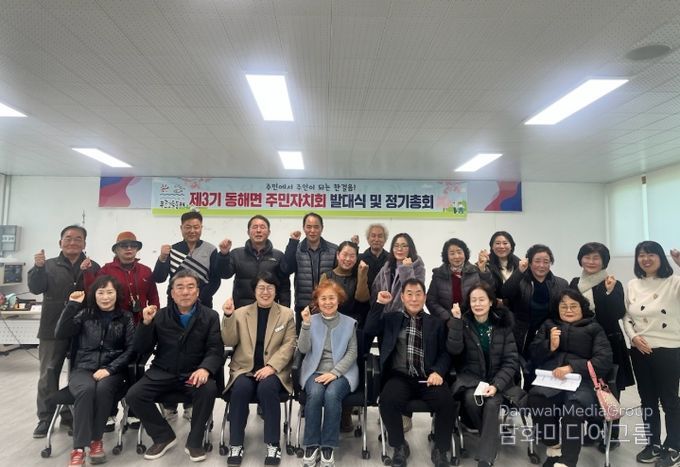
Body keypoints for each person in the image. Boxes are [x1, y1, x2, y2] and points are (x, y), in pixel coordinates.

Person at [126, 270, 223, 462]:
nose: (185, 292)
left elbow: (215, 348)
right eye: (180, 287)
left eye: (190, 287)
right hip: (163, 372)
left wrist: (205, 368)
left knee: (208, 389)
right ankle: (163, 436)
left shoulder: (210, 316)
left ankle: (195, 442)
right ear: (172, 292)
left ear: (197, 292)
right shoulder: (159, 315)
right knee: (134, 395)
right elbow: (141, 348)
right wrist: (146, 323)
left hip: (193, 373)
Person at [365, 279, 453, 467]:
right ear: (402, 297)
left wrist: (438, 372)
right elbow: (369, 329)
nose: (414, 298)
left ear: (425, 297)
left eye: (418, 294)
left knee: (447, 402)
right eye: (410, 294)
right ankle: (399, 446)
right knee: (387, 401)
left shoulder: (436, 323)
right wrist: (379, 304)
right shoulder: (390, 319)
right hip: (399, 377)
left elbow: (445, 353)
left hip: (428, 378)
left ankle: (440, 449)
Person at [28, 224, 101, 438]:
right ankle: (45, 418)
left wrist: (88, 273)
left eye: (78, 239)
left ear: (84, 243)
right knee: (49, 373)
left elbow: (97, 294)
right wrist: (37, 268)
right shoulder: (48, 265)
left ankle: (71, 416)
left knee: (79, 374)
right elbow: (35, 288)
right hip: (52, 329)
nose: (73, 242)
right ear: (60, 242)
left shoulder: (93, 265)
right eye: (68, 238)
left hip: (82, 330)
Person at [54, 276, 135, 467]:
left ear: (117, 294)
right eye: (101, 292)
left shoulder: (126, 317)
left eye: (110, 292)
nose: (105, 297)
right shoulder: (84, 314)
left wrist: (110, 369)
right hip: (83, 368)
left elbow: (131, 349)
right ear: (94, 295)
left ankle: (96, 440)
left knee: (103, 389)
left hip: (113, 371)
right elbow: (60, 332)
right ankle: (78, 449)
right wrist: (72, 305)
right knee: (86, 390)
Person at [528, 289, 613, 467]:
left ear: (582, 308)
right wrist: (550, 346)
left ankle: (567, 461)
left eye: (573, 306)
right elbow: (533, 355)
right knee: (536, 399)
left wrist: (573, 367)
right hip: (553, 379)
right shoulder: (548, 325)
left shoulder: (594, 328)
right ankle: (554, 447)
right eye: (563, 306)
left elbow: (604, 360)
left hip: (583, 382)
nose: (568, 310)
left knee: (573, 409)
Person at [221, 272, 296, 466]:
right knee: (240, 389)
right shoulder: (240, 313)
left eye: (270, 288)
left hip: (273, 371)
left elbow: (289, 344)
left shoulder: (286, 314)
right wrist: (228, 316)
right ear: (254, 291)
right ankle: (236, 443)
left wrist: (272, 366)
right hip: (244, 369)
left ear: (276, 291)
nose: (265, 292)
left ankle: (273, 444)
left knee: (267, 388)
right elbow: (229, 341)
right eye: (261, 288)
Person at [446, 282, 520, 467]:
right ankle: (490, 437)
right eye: (473, 300)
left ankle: (486, 458)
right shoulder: (463, 323)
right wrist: (456, 321)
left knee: (492, 404)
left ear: (491, 302)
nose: (477, 304)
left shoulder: (503, 324)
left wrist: (496, 385)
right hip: (472, 379)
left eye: (482, 299)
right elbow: (454, 350)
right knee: (471, 400)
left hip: (499, 380)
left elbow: (511, 361)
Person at [570, 241, 634, 450]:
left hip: (610, 343)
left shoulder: (612, 283)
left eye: (596, 258)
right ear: (580, 259)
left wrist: (608, 292)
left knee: (610, 390)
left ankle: (612, 434)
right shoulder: (575, 283)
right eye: (587, 257)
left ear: (604, 261)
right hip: (583, 344)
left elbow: (616, 314)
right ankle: (593, 431)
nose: (591, 261)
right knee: (588, 388)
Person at [623, 241, 680, 466]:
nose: (646, 259)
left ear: (661, 257)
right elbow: (627, 316)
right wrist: (633, 338)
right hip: (640, 350)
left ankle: (674, 446)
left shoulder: (674, 282)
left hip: (669, 349)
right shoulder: (632, 284)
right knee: (647, 400)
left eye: (651, 255)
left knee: (669, 400)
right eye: (641, 255)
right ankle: (653, 443)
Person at [298, 280, 359, 467]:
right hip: (314, 370)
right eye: (323, 298)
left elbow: (352, 353)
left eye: (332, 298)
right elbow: (303, 349)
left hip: (343, 372)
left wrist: (334, 373)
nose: (328, 302)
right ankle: (311, 444)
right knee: (315, 394)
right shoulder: (311, 320)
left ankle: (328, 446)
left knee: (332, 395)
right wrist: (306, 324)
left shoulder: (349, 323)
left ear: (339, 300)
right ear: (317, 301)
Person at [320, 240, 371, 431]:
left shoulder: (359, 274)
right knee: (328, 366)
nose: (348, 259)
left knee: (348, 369)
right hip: (329, 327)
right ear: (337, 255)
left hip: (353, 329)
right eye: (345, 254)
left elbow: (361, 298)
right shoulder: (327, 275)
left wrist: (362, 275)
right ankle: (328, 409)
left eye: (352, 256)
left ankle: (347, 412)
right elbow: (320, 301)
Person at [153, 210, 229, 309]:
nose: (192, 231)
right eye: (188, 227)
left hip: (203, 305)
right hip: (175, 305)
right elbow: (159, 278)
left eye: (196, 227)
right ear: (181, 228)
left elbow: (215, 280)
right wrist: (162, 258)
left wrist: (198, 299)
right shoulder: (173, 250)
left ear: (201, 228)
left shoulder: (210, 250)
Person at [502, 244, 568, 356]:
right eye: (537, 261)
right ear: (530, 262)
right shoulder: (520, 281)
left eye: (546, 262)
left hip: (548, 334)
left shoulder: (561, 284)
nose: (541, 265)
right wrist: (519, 272)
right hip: (522, 333)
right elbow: (505, 293)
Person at [281, 212, 338, 334]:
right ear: (304, 228)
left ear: (322, 228)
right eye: (309, 227)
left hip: (327, 305)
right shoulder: (296, 249)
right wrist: (292, 243)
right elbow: (286, 269)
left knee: (327, 341)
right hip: (303, 305)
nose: (312, 231)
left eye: (316, 227)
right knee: (303, 341)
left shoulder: (333, 250)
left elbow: (339, 276)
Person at [219, 215, 291, 309]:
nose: (258, 230)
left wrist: (285, 310)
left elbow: (284, 287)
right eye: (255, 227)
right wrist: (224, 255)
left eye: (262, 227)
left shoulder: (278, 256)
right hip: (242, 309)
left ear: (269, 232)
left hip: (270, 309)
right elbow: (225, 274)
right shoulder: (236, 254)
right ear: (248, 232)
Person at [94, 231, 160, 323]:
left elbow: (154, 298)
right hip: (115, 324)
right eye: (124, 245)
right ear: (116, 250)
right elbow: (96, 295)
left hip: (142, 322)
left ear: (137, 249)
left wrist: (155, 318)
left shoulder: (146, 270)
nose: (129, 248)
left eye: (133, 246)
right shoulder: (105, 270)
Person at [426, 238, 493, 322]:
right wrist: (447, 317)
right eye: (452, 253)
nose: (456, 256)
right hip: (445, 322)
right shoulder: (438, 274)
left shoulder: (475, 271)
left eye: (459, 252)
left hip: (472, 320)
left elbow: (489, 292)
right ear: (446, 256)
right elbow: (431, 301)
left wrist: (483, 270)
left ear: (465, 253)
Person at [371, 233, 426, 314]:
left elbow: (414, 291)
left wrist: (407, 269)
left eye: (404, 246)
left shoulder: (417, 267)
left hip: (405, 316)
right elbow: (375, 291)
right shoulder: (386, 268)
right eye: (396, 246)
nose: (399, 249)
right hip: (384, 316)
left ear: (410, 248)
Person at [485, 231, 521, 304]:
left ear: (511, 246)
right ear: (492, 246)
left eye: (505, 243)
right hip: (494, 305)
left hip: (516, 305)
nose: (501, 246)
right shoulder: (485, 263)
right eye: (497, 243)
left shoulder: (519, 264)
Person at [358, 223, 389, 289]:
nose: (376, 239)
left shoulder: (391, 259)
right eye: (373, 236)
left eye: (380, 236)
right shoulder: (360, 259)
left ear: (385, 239)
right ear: (368, 238)